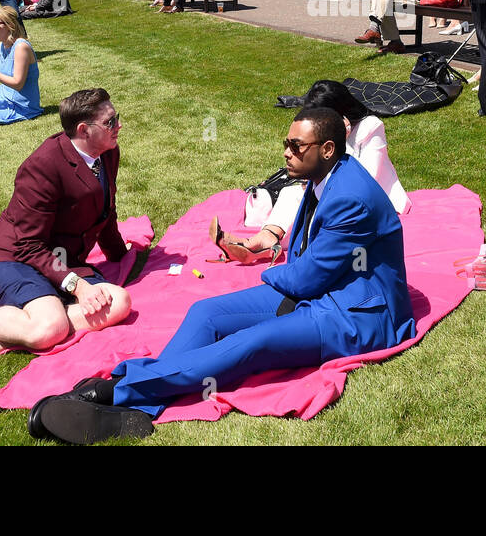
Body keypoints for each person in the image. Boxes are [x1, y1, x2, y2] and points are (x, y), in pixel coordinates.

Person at [27, 107, 416, 444]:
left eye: (297, 146)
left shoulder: (351, 196)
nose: (286, 151)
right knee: (205, 313)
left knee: (251, 343)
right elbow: (304, 263)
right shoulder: (324, 176)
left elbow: (307, 279)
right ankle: (143, 405)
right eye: (287, 141)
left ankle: (116, 390)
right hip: (319, 287)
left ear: (328, 149)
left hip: (355, 313)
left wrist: (266, 279)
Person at [0, 89, 137, 376]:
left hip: (61, 259)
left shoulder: (107, 152)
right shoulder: (44, 165)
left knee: (119, 302)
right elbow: (29, 245)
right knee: (50, 328)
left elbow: (106, 208)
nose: (118, 126)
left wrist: (121, 254)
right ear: (84, 130)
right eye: (110, 122)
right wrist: (78, 287)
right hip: (15, 256)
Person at [232, 80, 411, 261]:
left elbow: (366, 179)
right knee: (292, 193)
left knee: (312, 204)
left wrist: (341, 139)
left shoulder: (370, 127)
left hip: (371, 196)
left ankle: (272, 242)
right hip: (332, 189)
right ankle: (267, 237)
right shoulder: (321, 131)